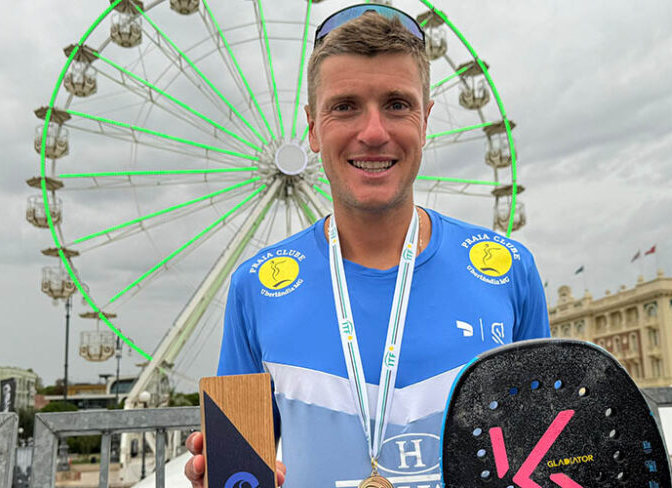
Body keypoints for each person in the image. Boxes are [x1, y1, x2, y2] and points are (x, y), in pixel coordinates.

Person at [185, 5, 549, 487]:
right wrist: (221, 476)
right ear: (313, 128)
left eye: (397, 104)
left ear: (425, 121)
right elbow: (239, 473)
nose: (374, 132)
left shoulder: (510, 272)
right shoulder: (255, 287)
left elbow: (542, 459)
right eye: (345, 106)